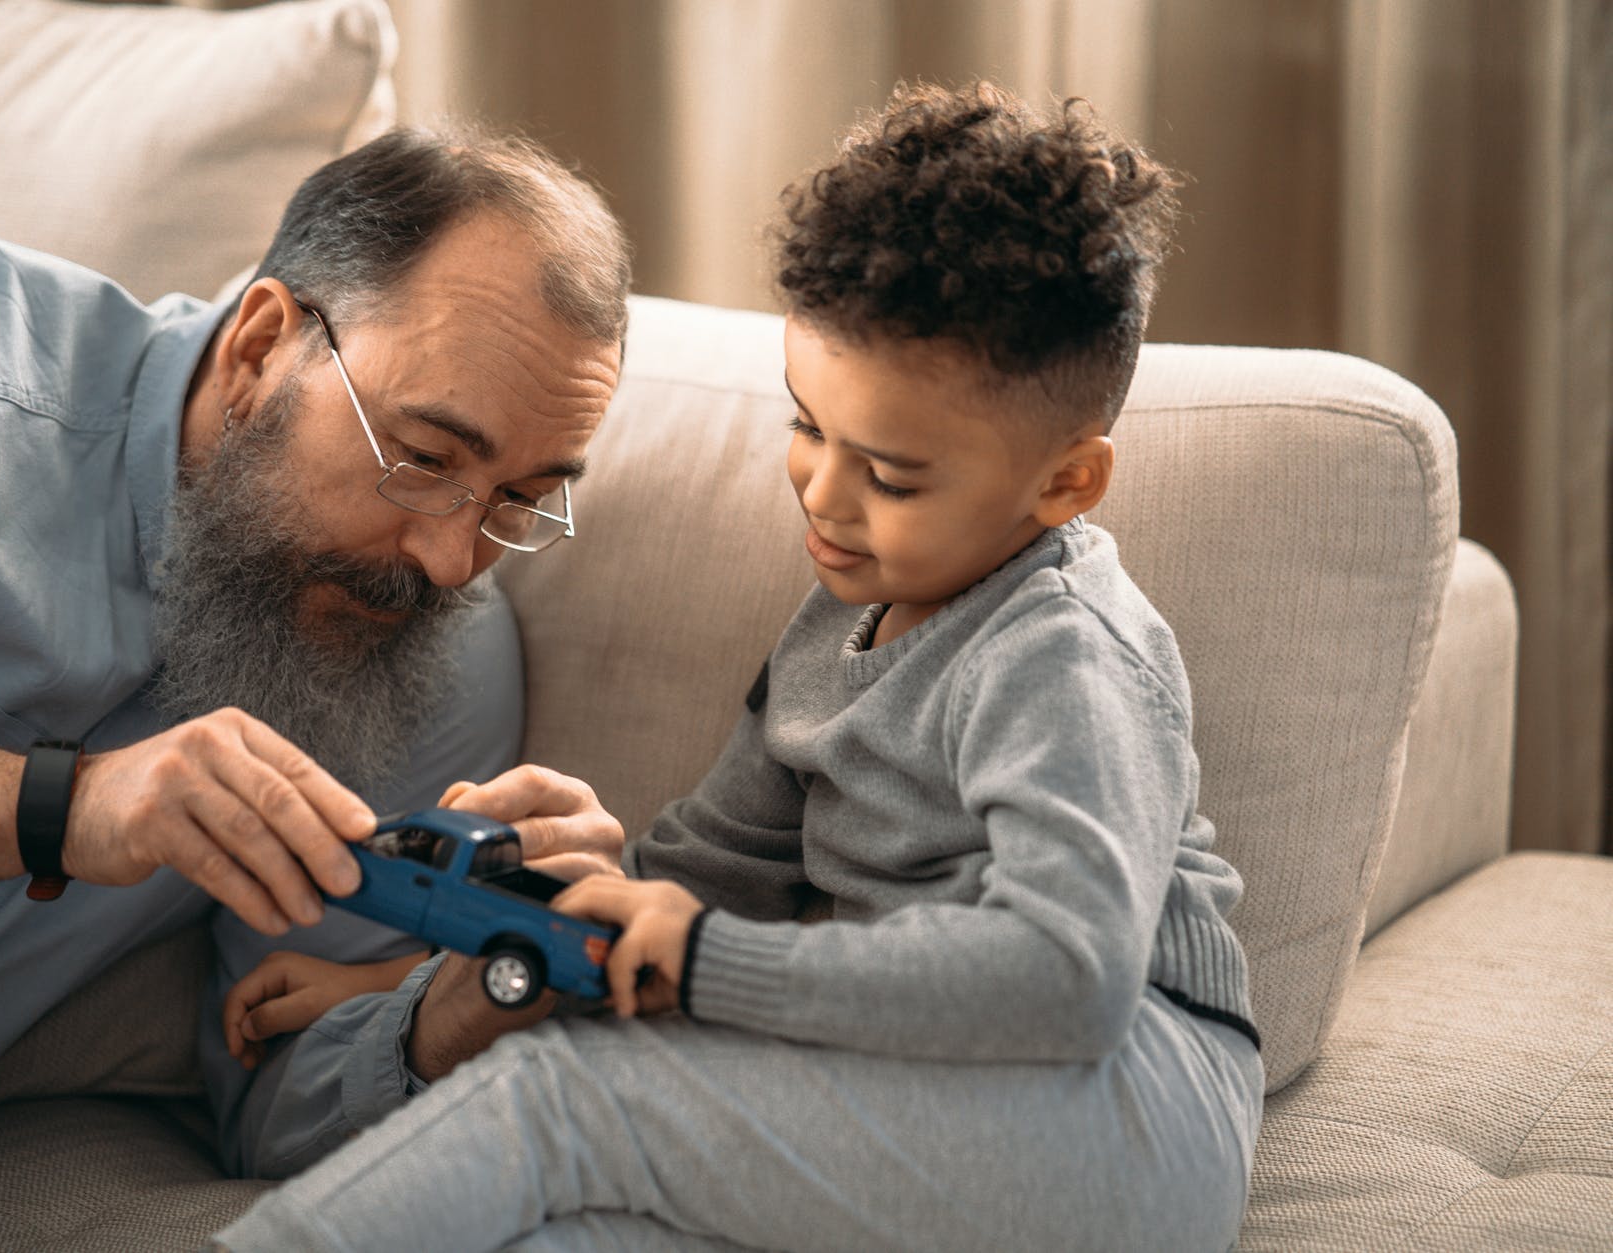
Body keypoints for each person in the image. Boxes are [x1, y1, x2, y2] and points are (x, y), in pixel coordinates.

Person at [210, 80, 1266, 1252]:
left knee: (563, 1098)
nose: (820, 490)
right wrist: (405, 979)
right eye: (806, 425)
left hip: (1119, 1117)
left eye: (893, 475)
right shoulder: (836, 624)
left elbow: (1063, 976)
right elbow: (697, 872)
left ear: (1064, 482)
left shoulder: (1060, 650)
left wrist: (708, 962)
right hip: (919, 1091)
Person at [0, 123, 631, 1244]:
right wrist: (48, 806)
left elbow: (272, 1101)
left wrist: (447, 1015)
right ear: (262, 345)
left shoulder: (432, 649)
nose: (451, 561)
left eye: (520, 498)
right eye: (425, 458)